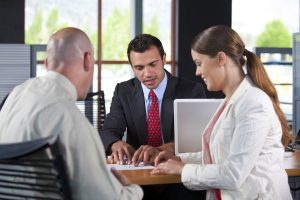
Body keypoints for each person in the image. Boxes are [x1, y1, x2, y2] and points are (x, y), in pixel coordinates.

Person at [0, 27, 143, 200]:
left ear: (47, 63)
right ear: (87, 60)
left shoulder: (15, 96)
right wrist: (133, 189)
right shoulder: (70, 119)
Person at [151, 25, 292, 200]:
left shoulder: (254, 103)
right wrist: (180, 159)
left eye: (199, 63)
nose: (197, 71)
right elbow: (219, 155)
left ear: (220, 58)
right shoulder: (232, 101)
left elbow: (232, 174)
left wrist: (182, 170)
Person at [100, 33, 207, 200]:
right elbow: (109, 131)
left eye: (152, 64)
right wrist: (116, 144)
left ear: (163, 59)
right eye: (139, 68)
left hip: (178, 179)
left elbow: (197, 140)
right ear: (132, 67)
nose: (147, 74)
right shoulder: (123, 91)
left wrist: (161, 150)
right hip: (139, 179)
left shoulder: (192, 90)